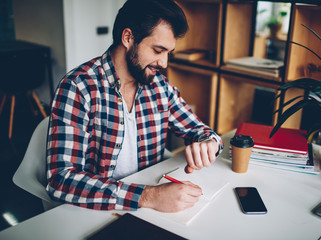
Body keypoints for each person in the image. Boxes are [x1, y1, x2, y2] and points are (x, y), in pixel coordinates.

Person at [46, 0, 223, 213]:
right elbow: (61, 179)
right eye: (158, 50)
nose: (164, 63)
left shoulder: (160, 86)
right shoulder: (78, 87)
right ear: (128, 38)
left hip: (152, 205)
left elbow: (201, 131)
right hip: (99, 209)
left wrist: (209, 143)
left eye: (169, 53)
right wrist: (148, 196)